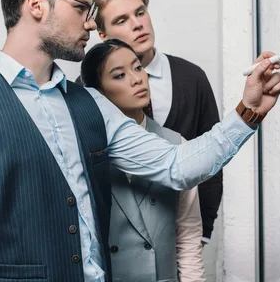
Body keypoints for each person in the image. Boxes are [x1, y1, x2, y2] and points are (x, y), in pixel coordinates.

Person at [0, 0, 280, 282]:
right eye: (81, 8)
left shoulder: (90, 103)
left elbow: (176, 166)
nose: (91, 22)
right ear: (36, 4)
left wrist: (247, 112)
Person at [84, 0, 223, 244]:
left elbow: (210, 155)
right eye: (121, 20)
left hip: (182, 229)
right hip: (119, 239)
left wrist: (204, 229)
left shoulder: (191, 77)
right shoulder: (89, 90)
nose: (137, 24)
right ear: (102, 35)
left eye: (140, 13)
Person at [80, 38, 205, 281]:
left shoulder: (176, 145)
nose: (137, 78)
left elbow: (188, 234)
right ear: (97, 93)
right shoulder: (85, 149)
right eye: (119, 75)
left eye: (137, 67)